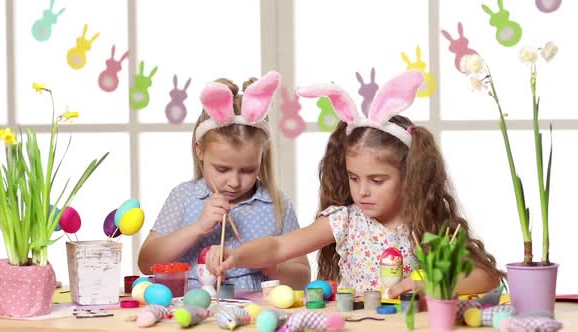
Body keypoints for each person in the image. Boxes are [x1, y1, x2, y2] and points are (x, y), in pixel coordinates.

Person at [205, 70, 502, 297]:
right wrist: (237, 256)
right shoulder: (345, 220)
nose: (362, 191)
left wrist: (426, 285)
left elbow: (485, 276)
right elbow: (278, 246)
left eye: (377, 180)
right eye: (354, 178)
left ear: (411, 174)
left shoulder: (425, 222)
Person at [138, 71, 311, 290]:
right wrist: (197, 228)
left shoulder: (277, 204)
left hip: (256, 317)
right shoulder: (184, 197)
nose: (234, 182)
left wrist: (273, 267)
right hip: (192, 314)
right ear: (199, 150)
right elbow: (146, 263)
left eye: (248, 170)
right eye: (222, 169)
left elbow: (303, 276)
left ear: (261, 156)